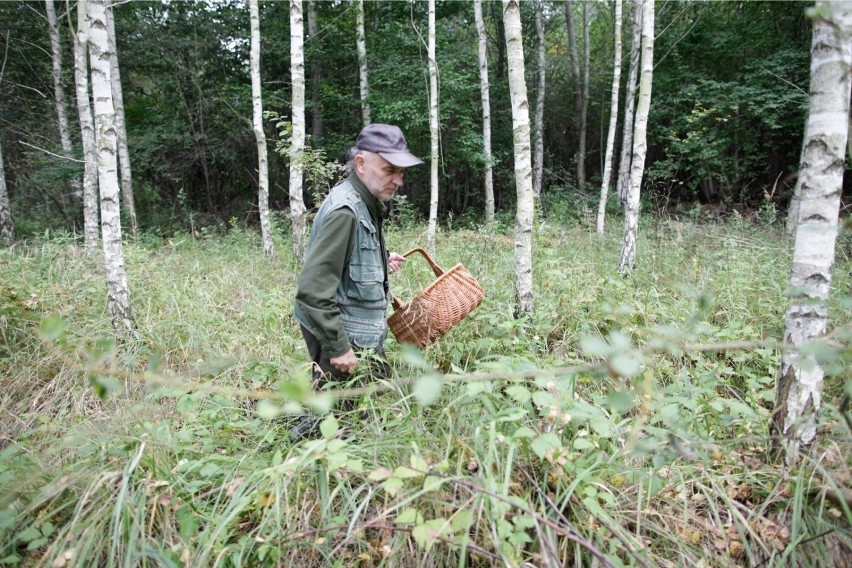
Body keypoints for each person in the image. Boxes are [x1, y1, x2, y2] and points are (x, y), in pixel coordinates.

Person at [291, 124, 424, 440]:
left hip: (359, 335)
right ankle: (304, 470)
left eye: (402, 172)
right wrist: (338, 347)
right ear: (362, 164)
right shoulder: (346, 210)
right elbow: (312, 289)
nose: (398, 180)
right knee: (329, 420)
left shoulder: (366, 202)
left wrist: (381, 258)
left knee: (357, 412)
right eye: (389, 170)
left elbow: (347, 257)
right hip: (341, 336)